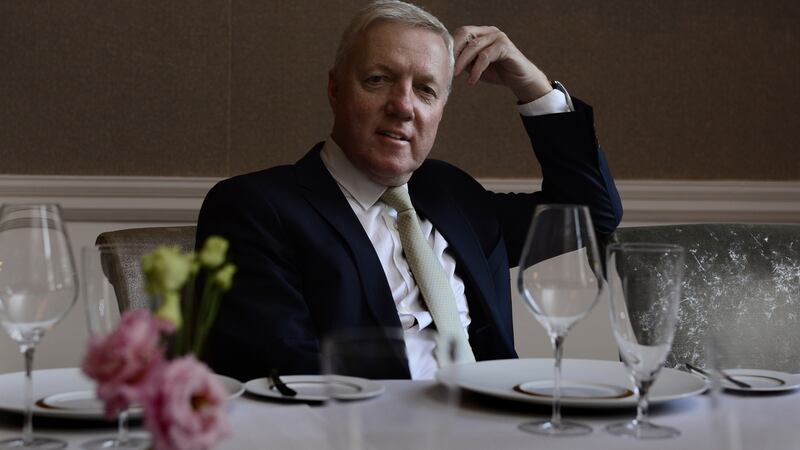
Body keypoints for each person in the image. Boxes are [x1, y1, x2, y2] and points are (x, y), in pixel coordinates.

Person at [196, 0, 622, 382]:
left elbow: (591, 214)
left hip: (498, 426)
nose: (403, 106)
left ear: (439, 111)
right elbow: (284, 371)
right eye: (378, 79)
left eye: (425, 89)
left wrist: (534, 88)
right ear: (335, 89)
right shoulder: (255, 208)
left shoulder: (452, 194)